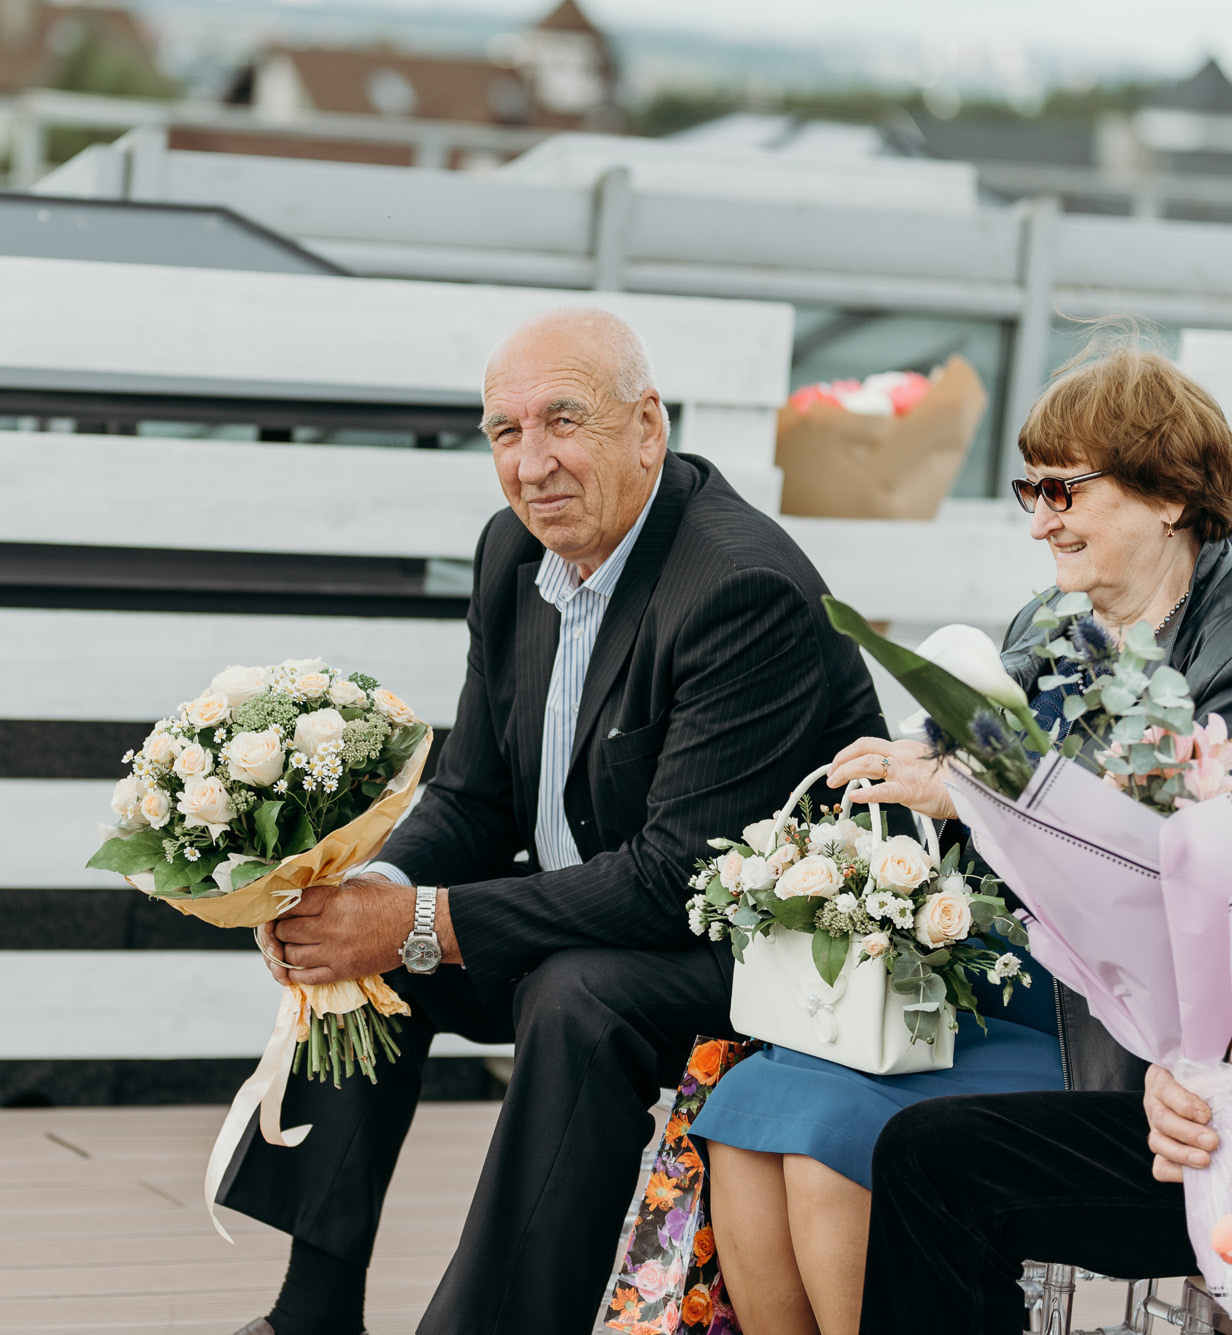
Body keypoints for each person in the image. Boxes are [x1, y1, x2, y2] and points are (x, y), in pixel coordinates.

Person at [216, 307, 888, 1335]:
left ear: (646, 429)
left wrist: (422, 921)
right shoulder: (510, 554)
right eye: (504, 432)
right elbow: (472, 796)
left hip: (765, 955)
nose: (533, 464)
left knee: (578, 996)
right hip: (598, 915)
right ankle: (308, 1316)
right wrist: (377, 901)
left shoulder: (736, 587)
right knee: (366, 942)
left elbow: (674, 881)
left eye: (563, 422)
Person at [694, 344, 1232, 1335]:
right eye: (1030, 490)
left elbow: (1175, 863)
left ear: (1165, 493)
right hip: (1013, 971)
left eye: (1062, 491)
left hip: (1119, 1028)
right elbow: (967, 823)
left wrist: (970, 792)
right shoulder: (1048, 627)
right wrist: (879, 829)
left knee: (826, 1137)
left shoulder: (1225, 639)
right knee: (745, 1107)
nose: (1038, 521)